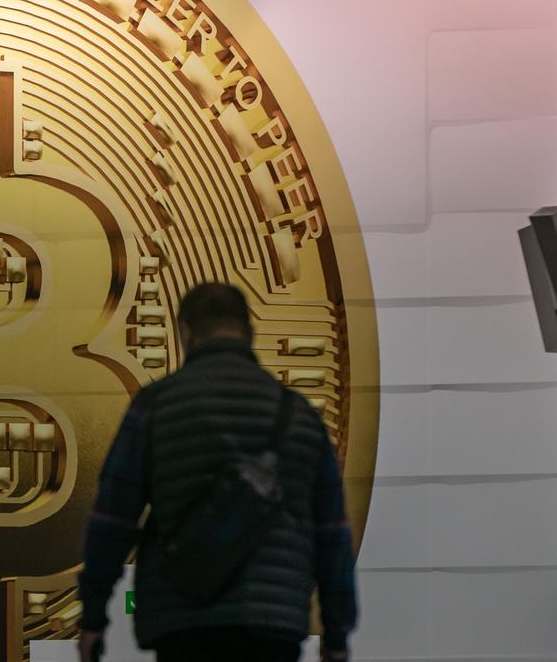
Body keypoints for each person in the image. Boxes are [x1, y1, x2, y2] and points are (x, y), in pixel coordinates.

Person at [77, 282, 358, 661]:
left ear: (186, 331)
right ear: (249, 333)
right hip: (272, 619)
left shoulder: (156, 406)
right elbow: (332, 535)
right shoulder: (300, 417)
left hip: (185, 618)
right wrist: (337, 634)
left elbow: (113, 517)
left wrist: (94, 615)